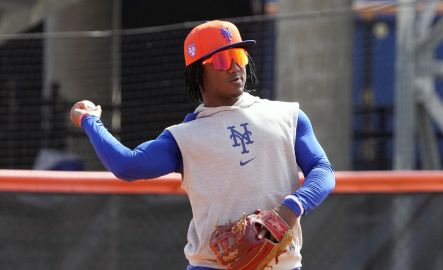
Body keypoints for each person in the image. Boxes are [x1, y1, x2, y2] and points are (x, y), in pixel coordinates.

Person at [70, 20, 335, 270]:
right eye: (221, 59)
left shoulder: (288, 115)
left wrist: (290, 209)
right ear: (198, 72)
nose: (234, 66)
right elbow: (126, 165)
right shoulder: (185, 137)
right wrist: (90, 121)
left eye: (239, 56)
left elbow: (322, 170)